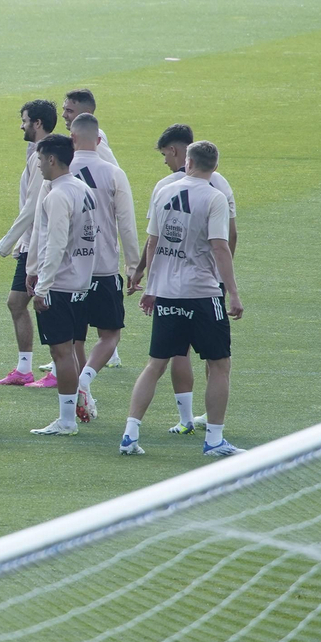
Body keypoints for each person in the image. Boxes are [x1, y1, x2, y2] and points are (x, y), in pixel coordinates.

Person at [119, 141, 243, 457]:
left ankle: (130, 434)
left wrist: (149, 287)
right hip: (202, 293)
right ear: (214, 167)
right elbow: (220, 246)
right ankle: (214, 440)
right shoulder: (214, 197)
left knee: (155, 365)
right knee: (219, 364)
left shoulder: (164, 192)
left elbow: (153, 243)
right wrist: (233, 292)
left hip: (168, 294)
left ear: (187, 162)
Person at [67, 113, 139, 420]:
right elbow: (127, 223)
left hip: (68, 270)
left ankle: (80, 396)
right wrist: (134, 265)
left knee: (74, 338)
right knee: (109, 335)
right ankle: (85, 381)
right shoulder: (113, 173)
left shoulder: (60, 169)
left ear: (72, 139)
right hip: (104, 267)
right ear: (99, 141)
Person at [25, 134, 97, 436]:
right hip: (81, 283)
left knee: (62, 353)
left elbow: (54, 245)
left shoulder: (56, 196)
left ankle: (67, 420)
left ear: (52, 159)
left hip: (60, 285)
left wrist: (42, 287)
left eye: (40, 159)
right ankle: (73, 409)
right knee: (70, 349)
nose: (38, 165)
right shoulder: (82, 188)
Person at [0, 100, 58, 386]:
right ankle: (25, 369)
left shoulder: (42, 155)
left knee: (43, 305)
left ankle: (57, 369)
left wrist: (8, 242)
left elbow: (33, 206)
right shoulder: (38, 153)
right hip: (32, 243)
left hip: (39, 246)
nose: (22, 125)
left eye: (25, 120)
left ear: (37, 123)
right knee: (18, 303)